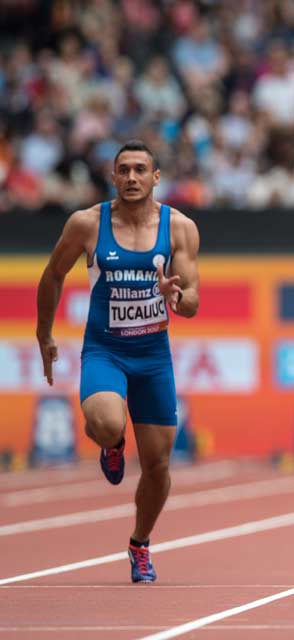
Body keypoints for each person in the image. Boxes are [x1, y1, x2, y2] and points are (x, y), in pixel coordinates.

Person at [36, 140, 200, 583]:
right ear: (113, 176)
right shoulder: (87, 224)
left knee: (158, 465)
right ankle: (111, 445)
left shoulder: (180, 227)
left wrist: (177, 295)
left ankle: (140, 544)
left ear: (156, 177)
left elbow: (193, 302)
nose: (131, 178)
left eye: (140, 170)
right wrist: (44, 332)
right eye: (124, 170)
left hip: (153, 358)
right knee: (108, 422)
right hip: (105, 350)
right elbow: (53, 275)